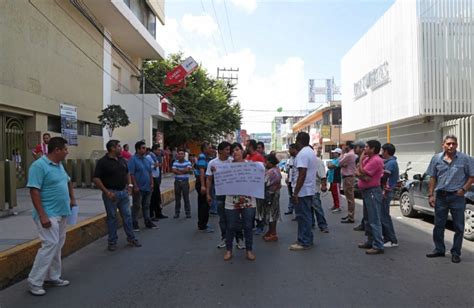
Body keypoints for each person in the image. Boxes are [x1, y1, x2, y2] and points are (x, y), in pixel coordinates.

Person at [26, 137, 75, 296]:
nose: (67, 152)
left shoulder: (59, 165)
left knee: (57, 245)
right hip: (48, 214)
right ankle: (34, 282)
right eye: (65, 149)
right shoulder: (39, 166)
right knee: (50, 244)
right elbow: (34, 190)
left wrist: (72, 198)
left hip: (62, 211)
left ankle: (53, 276)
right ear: (57, 150)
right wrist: (42, 215)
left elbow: (68, 181)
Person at [426, 135, 474, 263]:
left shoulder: (466, 159)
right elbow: (432, 177)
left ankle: (456, 252)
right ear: (443, 145)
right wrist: (430, 195)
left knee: (458, 226)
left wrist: (463, 189)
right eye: (448, 144)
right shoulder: (436, 158)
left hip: (457, 197)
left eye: (453, 143)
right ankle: (439, 249)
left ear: (457, 145)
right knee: (439, 225)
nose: (451, 146)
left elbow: (472, 176)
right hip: (441, 196)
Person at [93, 140, 142, 251]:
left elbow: (127, 173)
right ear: (112, 148)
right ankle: (112, 241)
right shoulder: (102, 162)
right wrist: (107, 192)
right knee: (112, 218)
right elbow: (96, 178)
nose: (121, 148)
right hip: (111, 194)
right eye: (119, 146)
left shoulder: (122, 160)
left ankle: (131, 238)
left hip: (123, 193)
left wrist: (129, 185)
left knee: (127, 217)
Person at [223, 143, 257, 261]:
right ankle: (228, 250)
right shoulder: (226, 166)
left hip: (248, 200)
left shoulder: (251, 165)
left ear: (242, 151)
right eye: (232, 151)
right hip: (231, 200)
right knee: (231, 226)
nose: (235, 152)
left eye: (237, 150)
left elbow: (257, 178)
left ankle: (249, 250)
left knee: (248, 225)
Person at [206, 141, 243, 249]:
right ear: (220, 151)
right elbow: (209, 179)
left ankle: (239, 239)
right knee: (223, 219)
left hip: (233, 194)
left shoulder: (233, 161)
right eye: (227, 149)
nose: (229, 152)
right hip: (220, 195)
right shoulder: (212, 163)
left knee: (236, 218)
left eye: (229, 150)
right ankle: (225, 238)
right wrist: (208, 194)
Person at [289, 132, 317, 251]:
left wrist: (295, 192)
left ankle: (304, 241)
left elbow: (302, 173)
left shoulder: (303, 154)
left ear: (299, 140)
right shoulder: (309, 152)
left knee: (303, 216)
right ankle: (306, 238)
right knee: (306, 216)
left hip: (303, 190)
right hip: (308, 189)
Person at [356, 140, 385, 255]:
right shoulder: (369, 159)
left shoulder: (376, 160)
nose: (364, 149)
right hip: (367, 191)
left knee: (374, 219)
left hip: (372, 191)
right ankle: (370, 241)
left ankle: (378, 244)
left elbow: (362, 172)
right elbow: (360, 171)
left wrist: (360, 161)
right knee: (368, 218)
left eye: (367, 147)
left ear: (373, 149)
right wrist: (361, 172)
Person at [129, 141, 157, 231]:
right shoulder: (133, 160)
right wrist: (135, 186)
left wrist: (152, 183)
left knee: (146, 205)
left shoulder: (146, 159)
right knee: (137, 206)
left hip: (147, 187)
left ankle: (147, 221)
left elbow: (149, 172)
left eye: (145, 148)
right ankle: (134, 223)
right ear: (138, 149)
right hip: (139, 188)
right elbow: (131, 174)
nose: (145, 149)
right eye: (143, 148)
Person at [380, 143, 399, 248]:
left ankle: (391, 239)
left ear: (386, 151)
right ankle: (387, 237)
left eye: (382, 151)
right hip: (385, 191)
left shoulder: (391, 163)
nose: (381, 153)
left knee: (384, 216)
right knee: (383, 215)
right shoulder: (389, 162)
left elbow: (384, 178)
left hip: (386, 192)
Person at [245, 139, 266, 235]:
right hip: (250, 187)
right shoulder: (248, 156)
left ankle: (260, 226)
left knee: (259, 207)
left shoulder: (258, 157)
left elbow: (262, 171)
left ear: (251, 147)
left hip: (257, 187)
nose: (246, 147)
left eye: (247, 146)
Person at [263, 154, 282, 241]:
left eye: (266, 162)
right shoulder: (276, 170)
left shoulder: (270, 172)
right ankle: (271, 231)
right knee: (272, 213)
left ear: (270, 163)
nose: (265, 163)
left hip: (271, 195)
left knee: (271, 214)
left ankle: (273, 233)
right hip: (275, 194)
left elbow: (264, 183)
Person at [195, 142, 213, 232]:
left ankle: (202, 224)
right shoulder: (202, 156)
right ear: (205, 149)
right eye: (209, 148)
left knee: (204, 204)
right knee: (204, 204)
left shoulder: (207, 158)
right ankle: (202, 225)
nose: (211, 149)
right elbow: (202, 171)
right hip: (202, 182)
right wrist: (203, 185)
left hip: (204, 182)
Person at [146, 144, 167, 221]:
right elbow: (148, 167)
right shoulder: (148, 157)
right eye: (158, 150)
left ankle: (158, 213)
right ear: (154, 150)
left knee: (157, 197)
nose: (159, 151)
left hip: (156, 178)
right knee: (153, 198)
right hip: (152, 178)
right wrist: (155, 166)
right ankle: (151, 215)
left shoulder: (155, 157)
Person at [339, 141, 358, 223]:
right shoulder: (351, 154)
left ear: (348, 146)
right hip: (348, 177)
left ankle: (351, 216)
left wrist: (342, 152)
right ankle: (350, 214)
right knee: (349, 197)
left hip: (348, 177)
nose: (344, 147)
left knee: (350, 198)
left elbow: (339, 162)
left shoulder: (349, 154)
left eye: (345, 145)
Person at [351, 140, 368, 231]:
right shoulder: (358, 158)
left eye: (356, 147)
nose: (354, 149)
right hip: (363, 186)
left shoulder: (364, 158)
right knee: (366, 208)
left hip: (369, 187)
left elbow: (362, 172)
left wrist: (358, 173)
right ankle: (364, 224)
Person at [172, 149, 193, 219]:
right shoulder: (175, 162)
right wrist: (183, 171)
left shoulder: (188, 162)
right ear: (177, 155)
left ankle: (188, 213)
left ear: (184, 155)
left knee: (186, 198)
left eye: (182, 154)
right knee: (177, 199)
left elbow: (188, 170)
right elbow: (174, 170)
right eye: (179, 154)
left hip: (185, 182)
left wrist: (178, 171)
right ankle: (177, 213)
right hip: (177, 182)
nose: (180, 155)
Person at [312, 151, 329, 233]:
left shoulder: (317, 161)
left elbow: (322, 175)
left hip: (314, 188)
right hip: (305, 189)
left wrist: (324, 185)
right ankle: (311, 224)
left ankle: (323, 225)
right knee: (308, 208)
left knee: (317, 207)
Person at [327, 148, 342, 214]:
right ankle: (335, 205)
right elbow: (329, 165)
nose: (333, 154)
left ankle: (338, 206)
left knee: (336, 193)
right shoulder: (334, 160)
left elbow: (331, 166)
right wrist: (329, 165)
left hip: (336, 178)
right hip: (331, 179)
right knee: (333, 193)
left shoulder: (339, 160)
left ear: (338, 154)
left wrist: (329, 165)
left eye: (335, 153)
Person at [284, 144, 298, 215]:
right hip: (290, 180)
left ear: (294, 149)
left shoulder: (298, 158)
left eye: (290, 149)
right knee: (291, 195)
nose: (289, 151)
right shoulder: (291, 159)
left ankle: (297, 213)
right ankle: (290, 209)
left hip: (296, 181)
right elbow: (290, 169)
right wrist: (287, 177)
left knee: (295, 196)